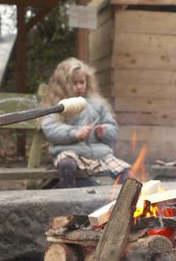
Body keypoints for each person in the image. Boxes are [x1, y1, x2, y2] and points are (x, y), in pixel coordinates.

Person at [40, 57, 130, 188]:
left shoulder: (97, 103)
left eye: (82, 82)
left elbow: (113, 127)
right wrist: (74, 133)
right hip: (70, 152)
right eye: (74, 83)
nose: (79, 87)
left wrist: (104, 131)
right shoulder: (59, 105)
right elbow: (50, 128)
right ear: (63, 84)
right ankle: (66, 200)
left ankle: (121, 203)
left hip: (99, 153)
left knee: (126, 172)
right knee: (67, 165)